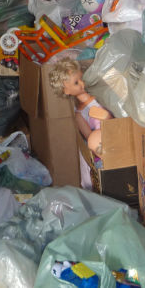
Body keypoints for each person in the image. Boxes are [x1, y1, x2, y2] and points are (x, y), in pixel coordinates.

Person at [49, 58, 112, 190]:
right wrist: (105, 118)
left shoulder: (96, 93)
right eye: (76, 83)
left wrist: (107, 117)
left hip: (116, 132)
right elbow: (90, 139)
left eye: (81, 78)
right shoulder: (80, 114)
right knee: (94, 140)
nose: (82, 83)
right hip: (105, 146)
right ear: (66, 91)